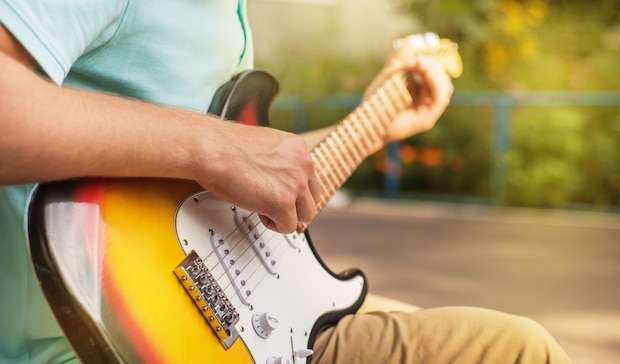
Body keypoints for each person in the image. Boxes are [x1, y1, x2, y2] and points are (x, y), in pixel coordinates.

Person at [0, 1, 571, 363]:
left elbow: (211, 198)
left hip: (228, 321)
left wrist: (371, 126)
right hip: (99, 342)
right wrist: (212, 147)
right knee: (516, 351)